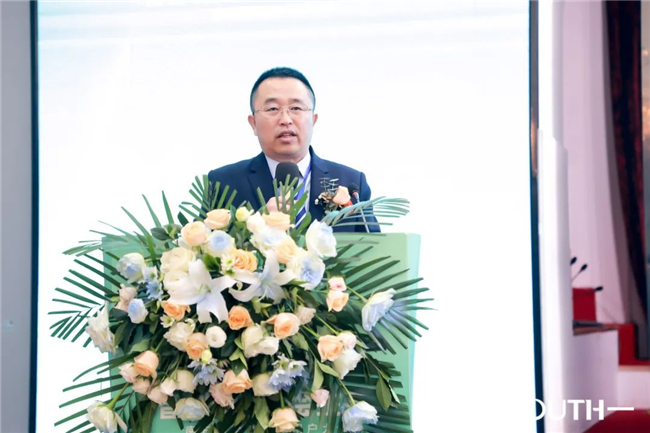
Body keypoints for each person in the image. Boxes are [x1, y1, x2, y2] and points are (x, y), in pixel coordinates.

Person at [207, 67, 378, 233]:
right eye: (272, 109)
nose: (285, 119)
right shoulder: (223, 183)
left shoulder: (352, 183)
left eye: (296, 108)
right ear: (254, 124)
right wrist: (256, 227)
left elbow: (376, 248)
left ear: (313, 120)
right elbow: (201, 247)